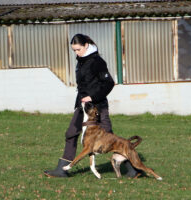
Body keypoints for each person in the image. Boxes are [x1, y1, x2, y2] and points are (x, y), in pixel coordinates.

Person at [44, 33, 139, 178]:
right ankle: (62, 170)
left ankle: (132, 169)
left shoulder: (97, 61)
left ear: (86, 46)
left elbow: (108, 83)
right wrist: (80, 101)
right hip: (82, 106)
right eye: (74, 50)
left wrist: (93, 97)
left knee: (110, 137)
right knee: (71, 133)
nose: (76, 53)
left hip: (97, 107)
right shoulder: (81, 61)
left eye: (78, 49)